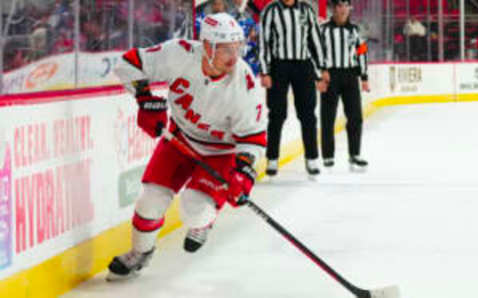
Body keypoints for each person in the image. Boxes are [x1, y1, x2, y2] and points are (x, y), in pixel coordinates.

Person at [107, 12, 267, 281]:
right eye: (225, 48)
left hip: (221, 152)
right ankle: (140, 253)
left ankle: (204, 220)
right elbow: (129, 63)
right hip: (179, 139)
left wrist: (243, 172)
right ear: (206, 46)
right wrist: (144, 98)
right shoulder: (178, 54)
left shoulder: (244, 83)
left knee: (194, 210)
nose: (233, 56)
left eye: (237, 47)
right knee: (150, 201)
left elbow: (253, 137)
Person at [259, 0, 326, 178]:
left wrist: (321, 70)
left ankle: (311, 158)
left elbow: (315, 40)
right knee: (277, 114)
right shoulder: (271, 10)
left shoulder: (306, 9)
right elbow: (264, 41)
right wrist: (265, 71)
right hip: (278, 66)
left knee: (308, 115)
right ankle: (272, 159)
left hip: (303, 66)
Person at [318, 0, 369, 171]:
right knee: (327, 118)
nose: (342, 9)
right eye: (339, 6)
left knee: (355, 117)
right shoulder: (323, 29)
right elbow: (315, 52)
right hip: (330, 76)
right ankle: (328, 156)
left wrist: (364, 76)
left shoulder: (354, 30)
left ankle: (355, 154)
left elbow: (361, 51)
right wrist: (320, 74)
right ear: (333, 9)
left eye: (345, 6)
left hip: (350, 76)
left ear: (349, 8)